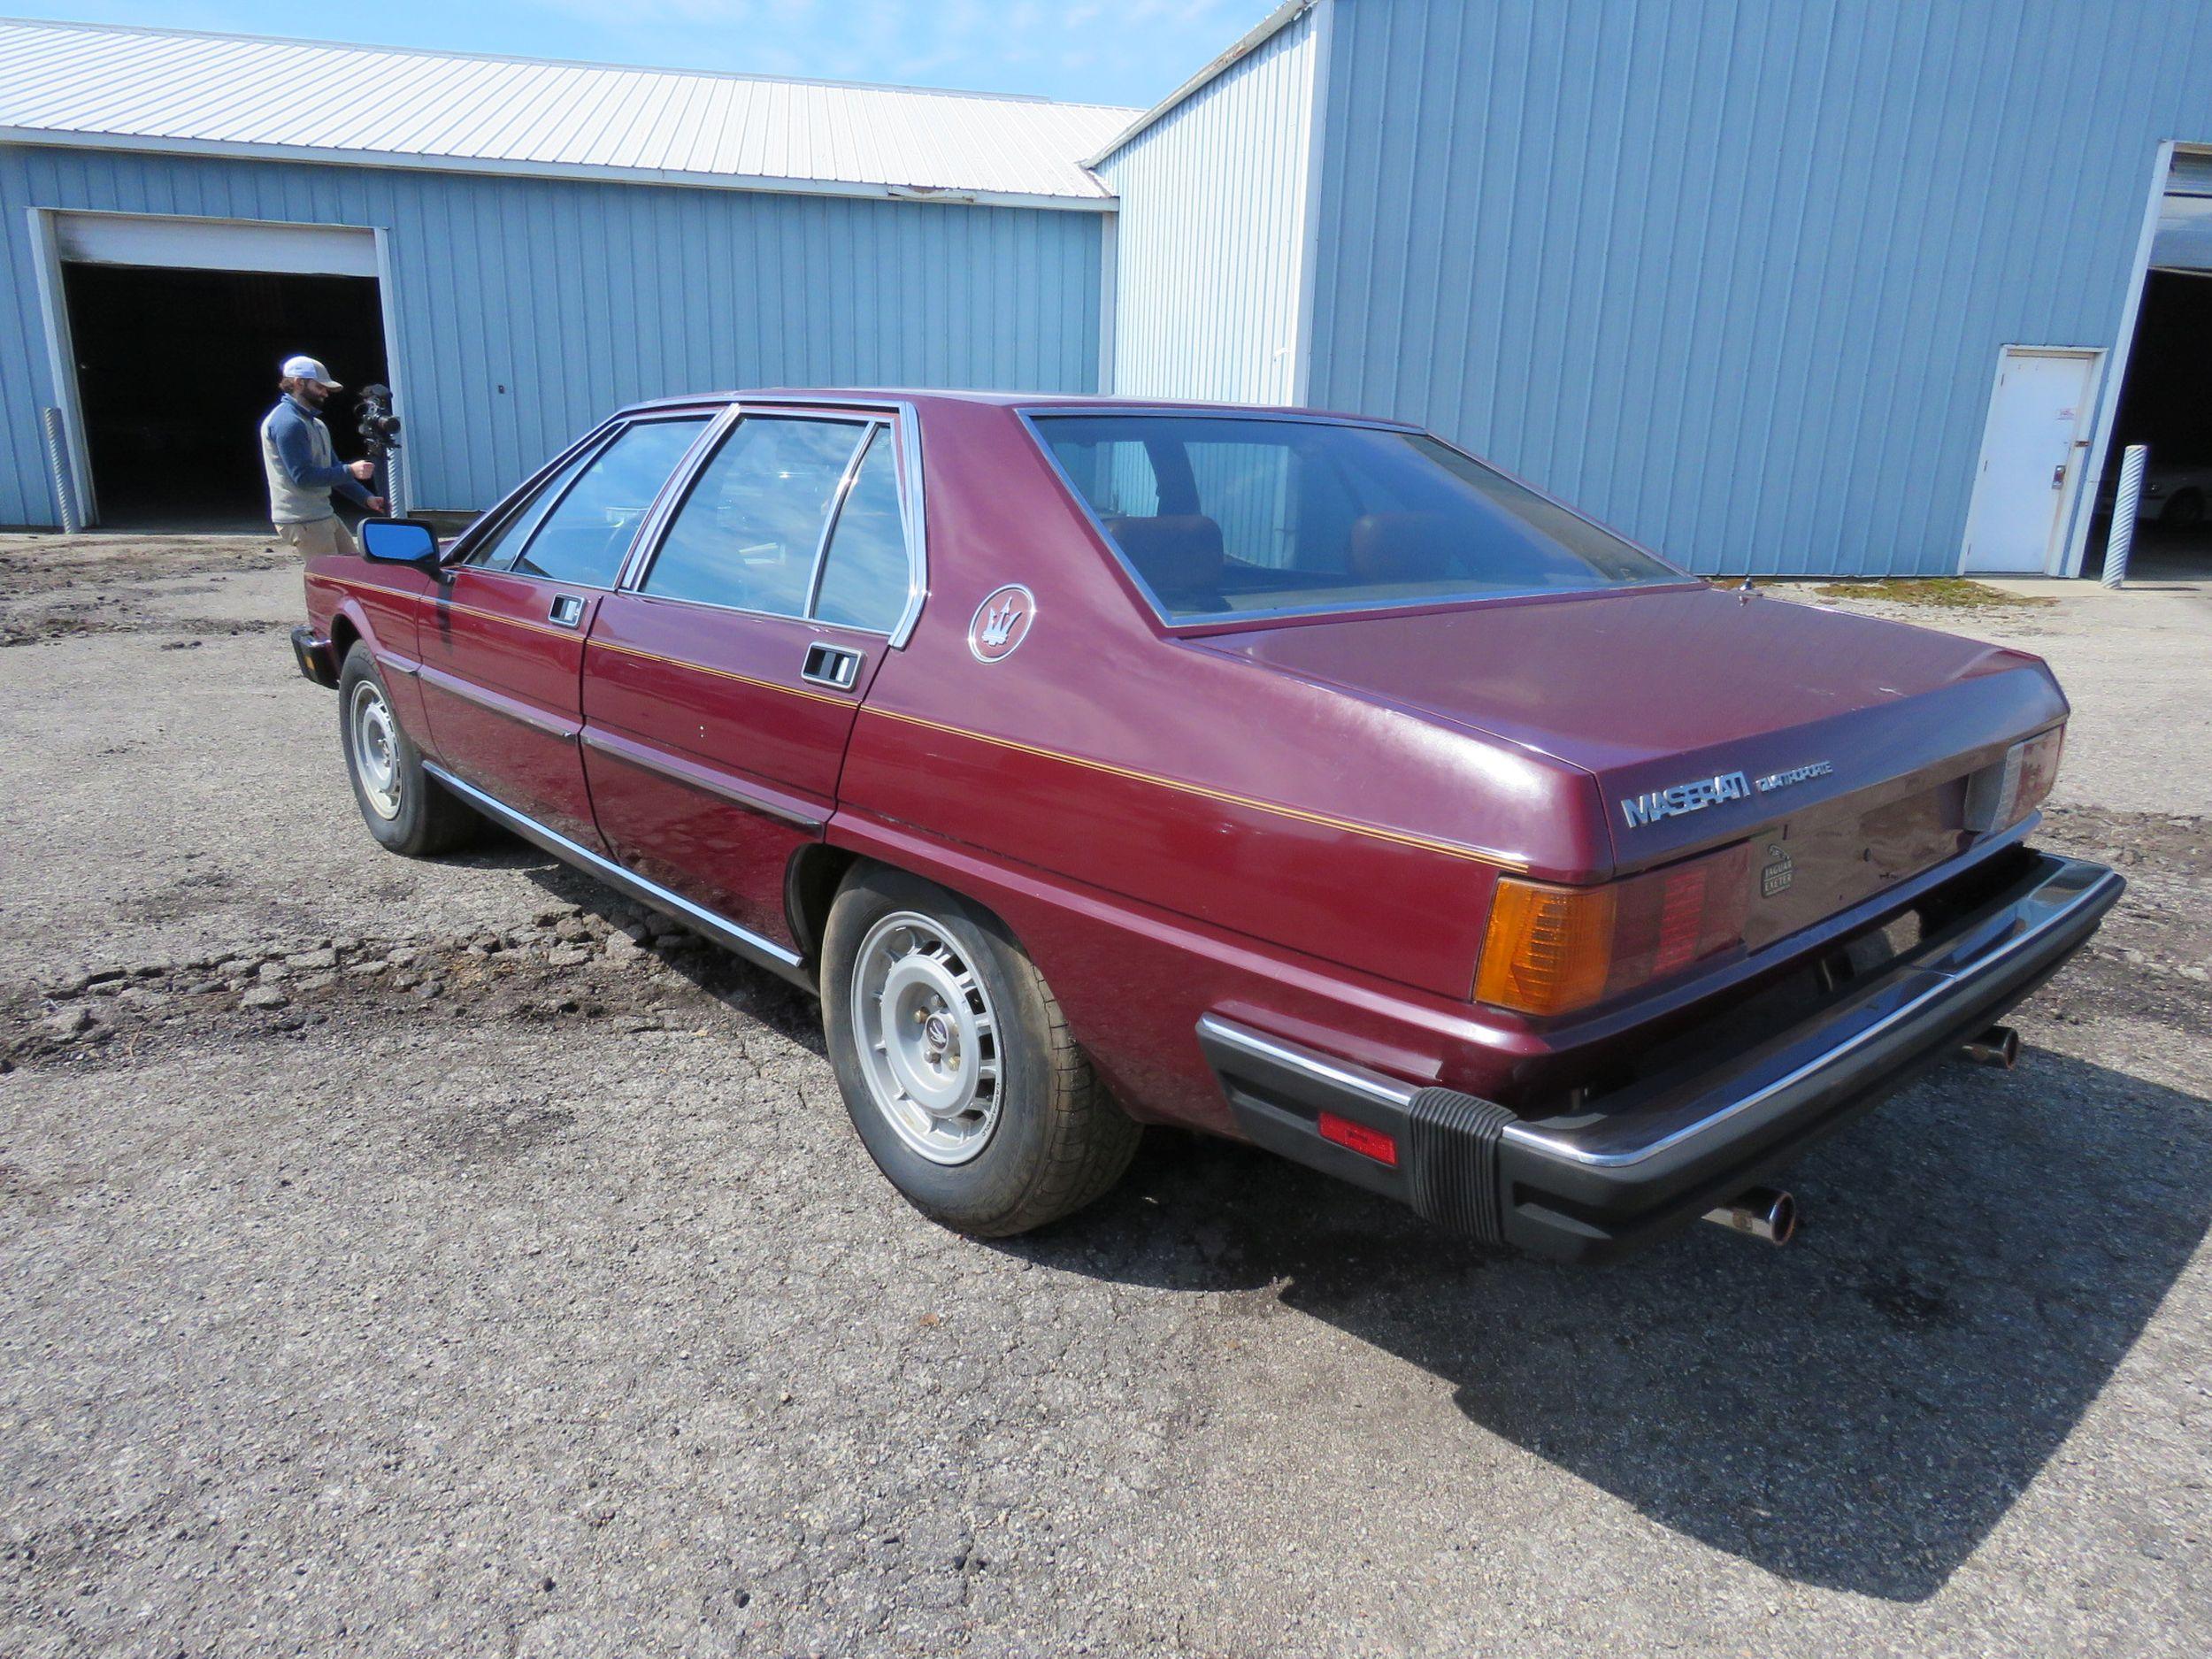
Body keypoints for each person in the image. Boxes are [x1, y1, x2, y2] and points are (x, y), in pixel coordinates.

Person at [259, 356, 387, 556]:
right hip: (302, 519)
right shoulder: (287, 423)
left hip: (323, 514)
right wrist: (350, 470)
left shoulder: (316, 424)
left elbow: (332, 470)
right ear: (299, 383)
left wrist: (366, 498)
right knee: (328, 583)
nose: (325, 393)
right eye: (320, 386)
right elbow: (303, 477)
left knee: (352, 573)